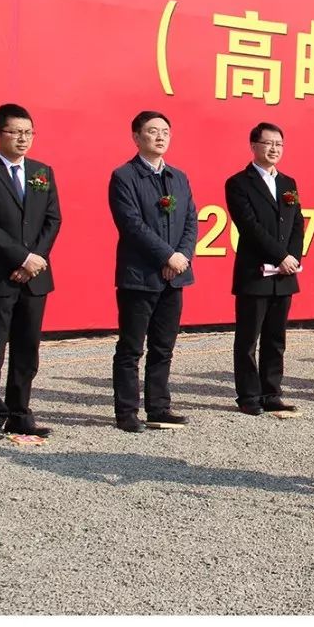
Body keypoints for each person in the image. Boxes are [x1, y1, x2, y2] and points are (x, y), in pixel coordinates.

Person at [0, 103, 62, 440]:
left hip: (35, 278)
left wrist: (34, 261)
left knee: (27, 350)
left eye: (28, 132)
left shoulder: (42, 171)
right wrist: (21, 258)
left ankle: (20, 413)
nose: (23, 139)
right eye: (15, 132)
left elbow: (52, 220)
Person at [108, 110, 197, 432]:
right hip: (140, 277)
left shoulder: (179, 177)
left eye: (165, 132)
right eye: (152, 131)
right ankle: (127, 412)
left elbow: (191, 220)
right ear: (136, 137)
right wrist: (166, 257)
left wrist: (181, 256)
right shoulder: (124, 176)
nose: (160, 137)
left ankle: (158, 407)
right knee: (131, 348)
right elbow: (131, 224)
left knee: (163, 347)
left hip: (174, 276)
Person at [224, 121, 304, 416]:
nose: (274, 149)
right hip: (255, 272)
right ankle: (248, 396)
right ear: (253, 145)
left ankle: (271, 393)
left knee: (276, 338)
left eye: (279, 144)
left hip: (284, 275)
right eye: (268, 143)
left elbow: (297, 223)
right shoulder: (238, 183)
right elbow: (249, 226)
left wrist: (292, 258)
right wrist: (280, 255)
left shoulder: (288, 182)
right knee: (248, 339)